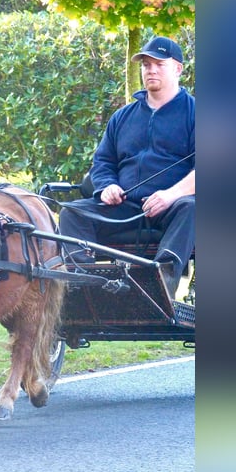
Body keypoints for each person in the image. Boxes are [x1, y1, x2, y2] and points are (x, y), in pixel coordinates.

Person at [58, 36, 195, 296]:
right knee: (71, 213)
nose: (150, 70)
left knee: (193, 208)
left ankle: (160, 286)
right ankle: (83, 289)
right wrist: (107, 186)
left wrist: (170, 195)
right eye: (146, 64)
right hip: (126, 207)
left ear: (177, 68)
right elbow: (103, 162)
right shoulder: (122, 117)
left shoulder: (196, 113)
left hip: (175, 208)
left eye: (158, 64)